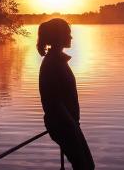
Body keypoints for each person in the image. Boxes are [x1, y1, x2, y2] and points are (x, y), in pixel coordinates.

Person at [37, 18, 95, 170]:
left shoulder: (58, 61)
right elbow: (53, 102)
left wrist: (74, 123)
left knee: (87, 166)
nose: (71, 37)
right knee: (85, 167)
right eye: (68, 33)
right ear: (58, 36)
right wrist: (71, 126)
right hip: (63, 125)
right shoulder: (52, 63)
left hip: (69, 124)